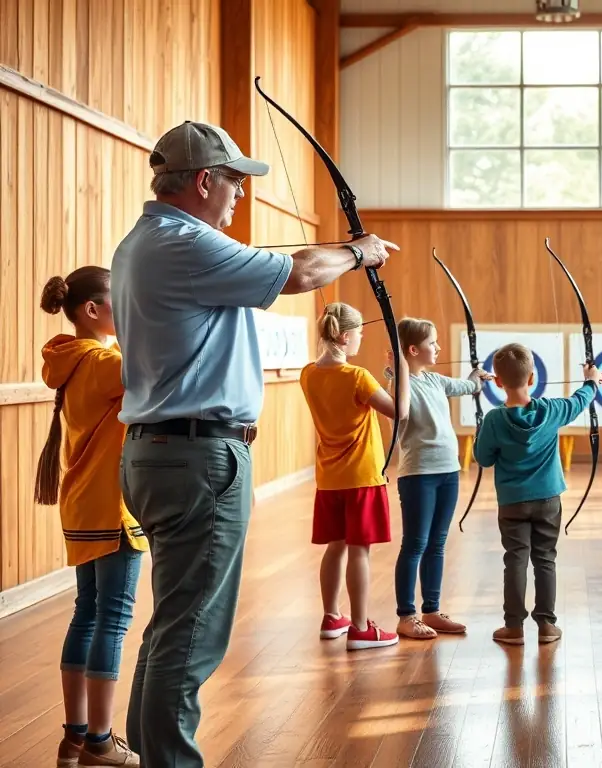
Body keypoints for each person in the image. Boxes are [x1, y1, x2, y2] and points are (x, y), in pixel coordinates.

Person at [110, 120, 398, 766]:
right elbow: (298, 273)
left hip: (162, 452)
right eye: (235, 181)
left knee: (172, 627)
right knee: (190, 638)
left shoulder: (148, 243)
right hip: (197, 458)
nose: (241, 194)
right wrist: (360, 252)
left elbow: (280, 263)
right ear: (205, 181)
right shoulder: (184, 246)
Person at [36, 267, 147, 768]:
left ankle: (75, 737)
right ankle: (101, 741)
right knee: (114, 619)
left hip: (82, 504)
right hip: (112, 507)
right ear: (92, 311)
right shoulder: (104, 362)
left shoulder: (71, 358)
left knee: (87, 613)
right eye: (119, 299)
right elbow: (158, 367)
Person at [473, 342, 600, 645]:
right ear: (532, 378)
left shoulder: (493, 419)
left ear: (499, 382)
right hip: (547, 500)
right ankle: (546, 626)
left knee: (515, 559)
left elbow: (484, 458)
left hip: (512, 502)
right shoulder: (551, 410)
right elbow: (581, 400)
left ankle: (514, 627)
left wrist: (484, 431)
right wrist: (591, 380)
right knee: (545, 559)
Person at [300, 302, 408, 650]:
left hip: (329, 478)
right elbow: (400, 411)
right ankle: (361, 627)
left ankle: (332, 616)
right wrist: (401, 369)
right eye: (359, 332)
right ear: (345, 336)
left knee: (336, 547)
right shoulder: (357, 377)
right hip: (361, 476)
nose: (362, 337)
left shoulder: (308, 374)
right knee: (359, 550)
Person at [392, 318, 490, 640]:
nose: (438, 348)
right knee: (415, 544)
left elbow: (467, 386)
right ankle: (407, 616)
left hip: (449, 472)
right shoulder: (399, 382)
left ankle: (431, 610)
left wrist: (477, 378)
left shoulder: (434, 380)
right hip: (419, 474)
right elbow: (399, 396)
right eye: (432, 343)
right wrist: (398, 363)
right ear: (412, 350)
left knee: (437, 543)